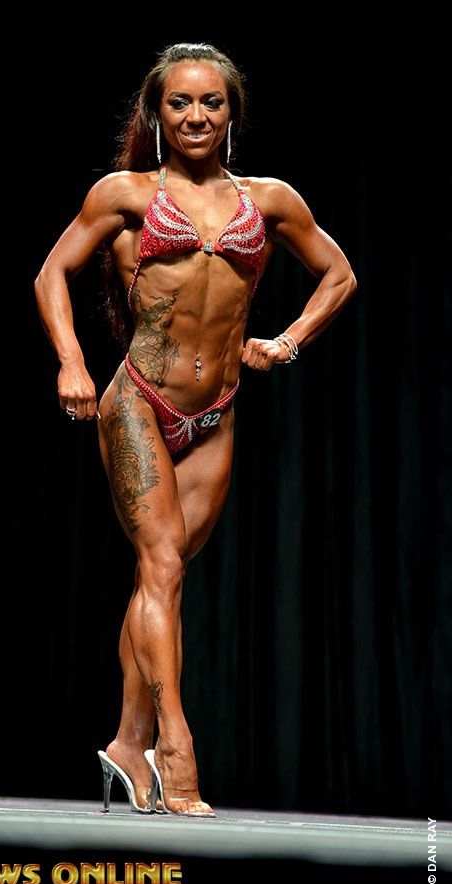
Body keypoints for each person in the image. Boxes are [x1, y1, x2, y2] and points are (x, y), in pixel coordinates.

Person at [34, 42, 356, 817]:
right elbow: (51, 274)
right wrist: (71, 363)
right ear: (157, 112)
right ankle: (173, 748)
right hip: (138, 401)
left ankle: (125, 744)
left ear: (232, 112)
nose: (196, 115)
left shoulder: (269, 200)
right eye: (179, 102)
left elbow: (340, 274)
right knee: (162, 567)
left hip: (214, 415)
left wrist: (287, 341)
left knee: (162, 576)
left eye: (211, 102)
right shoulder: (127, 194)